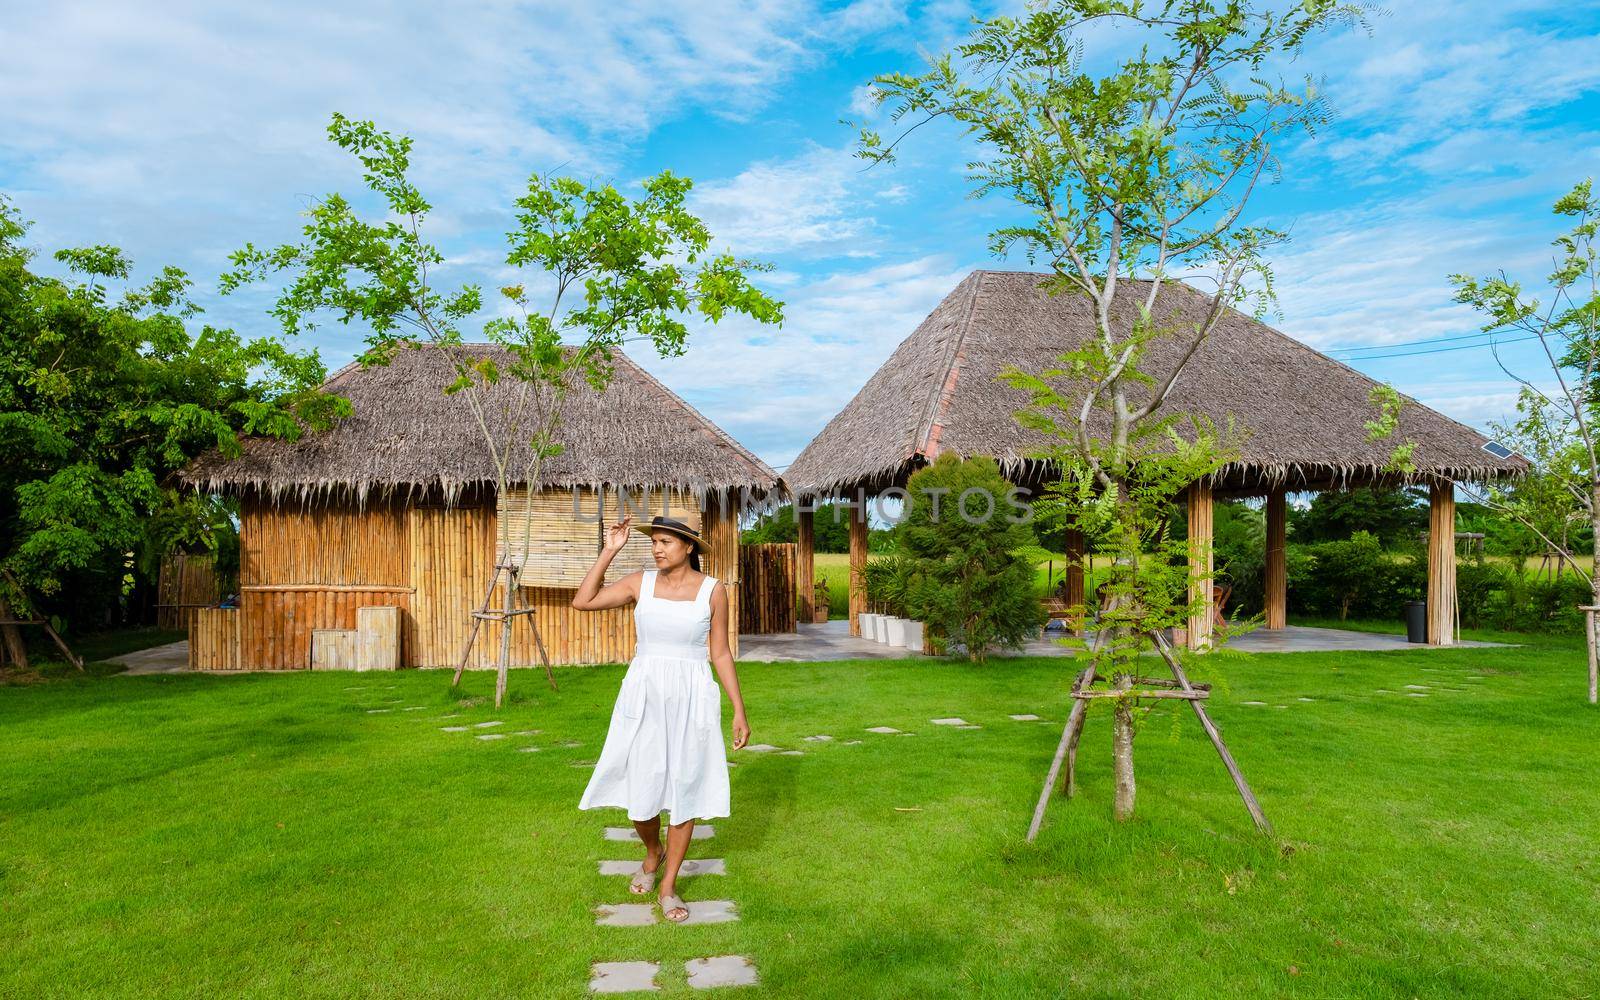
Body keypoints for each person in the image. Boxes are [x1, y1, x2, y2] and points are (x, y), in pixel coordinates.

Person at [571, 513, 750, 923]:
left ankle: (668, 885)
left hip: (692, 695)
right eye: (654, 541)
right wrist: (609, 551)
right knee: (641, 793)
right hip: (645, 692)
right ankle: (653, 852)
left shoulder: (712, 590)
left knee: (685, 786)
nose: (657, 548)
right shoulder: (640, 583)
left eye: (666, 541)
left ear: (688, 547)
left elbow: (720, 652)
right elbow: (583, 601)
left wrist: (738, 709)